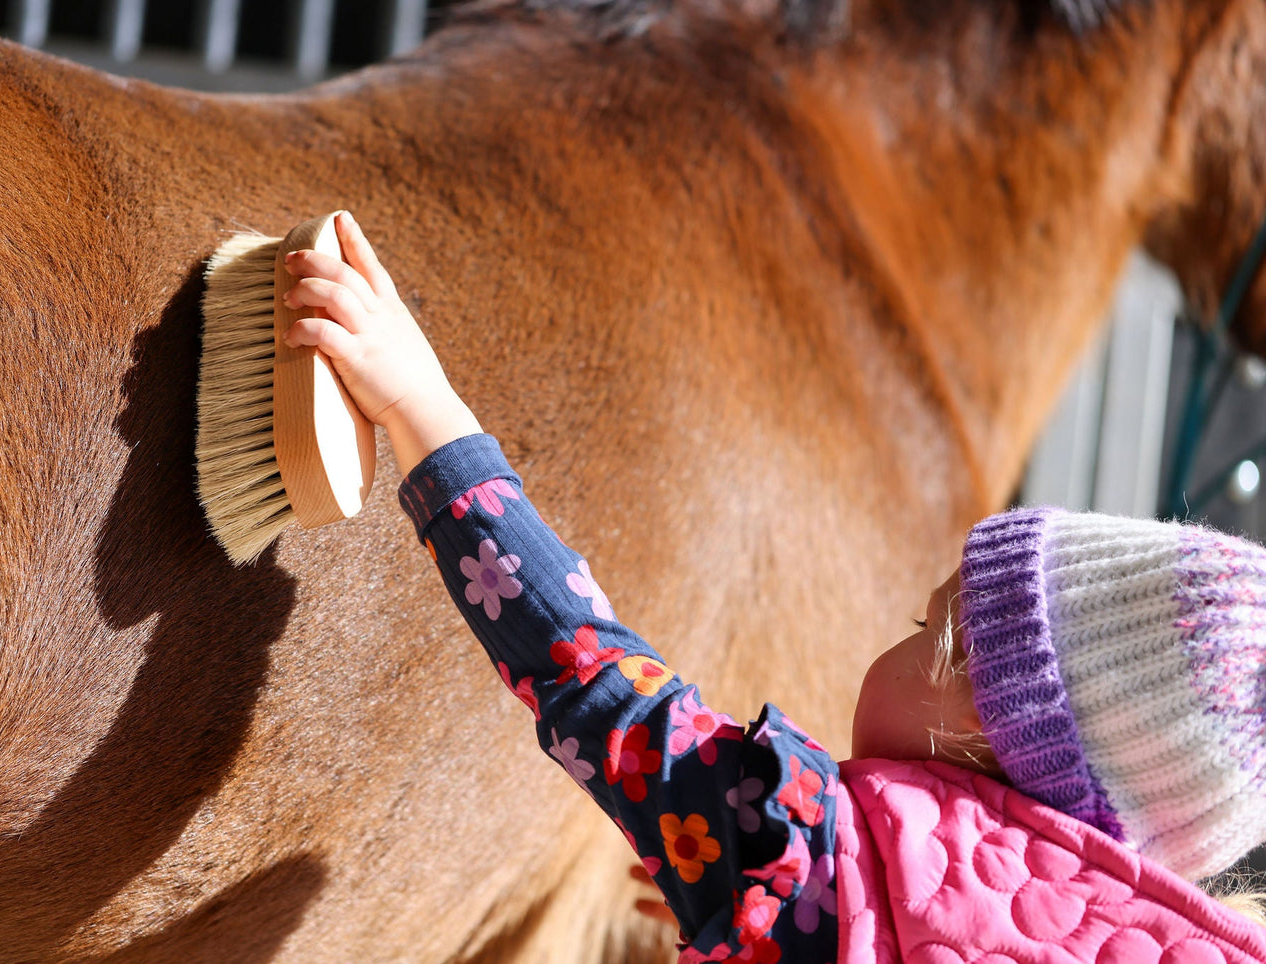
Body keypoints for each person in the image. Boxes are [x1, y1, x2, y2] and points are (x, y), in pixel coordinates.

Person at [279, 211, 1266, 962]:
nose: (900, 628)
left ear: (977, 732)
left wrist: (419, 402)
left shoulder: (803, 849)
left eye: (928, 623)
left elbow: (594, 681)